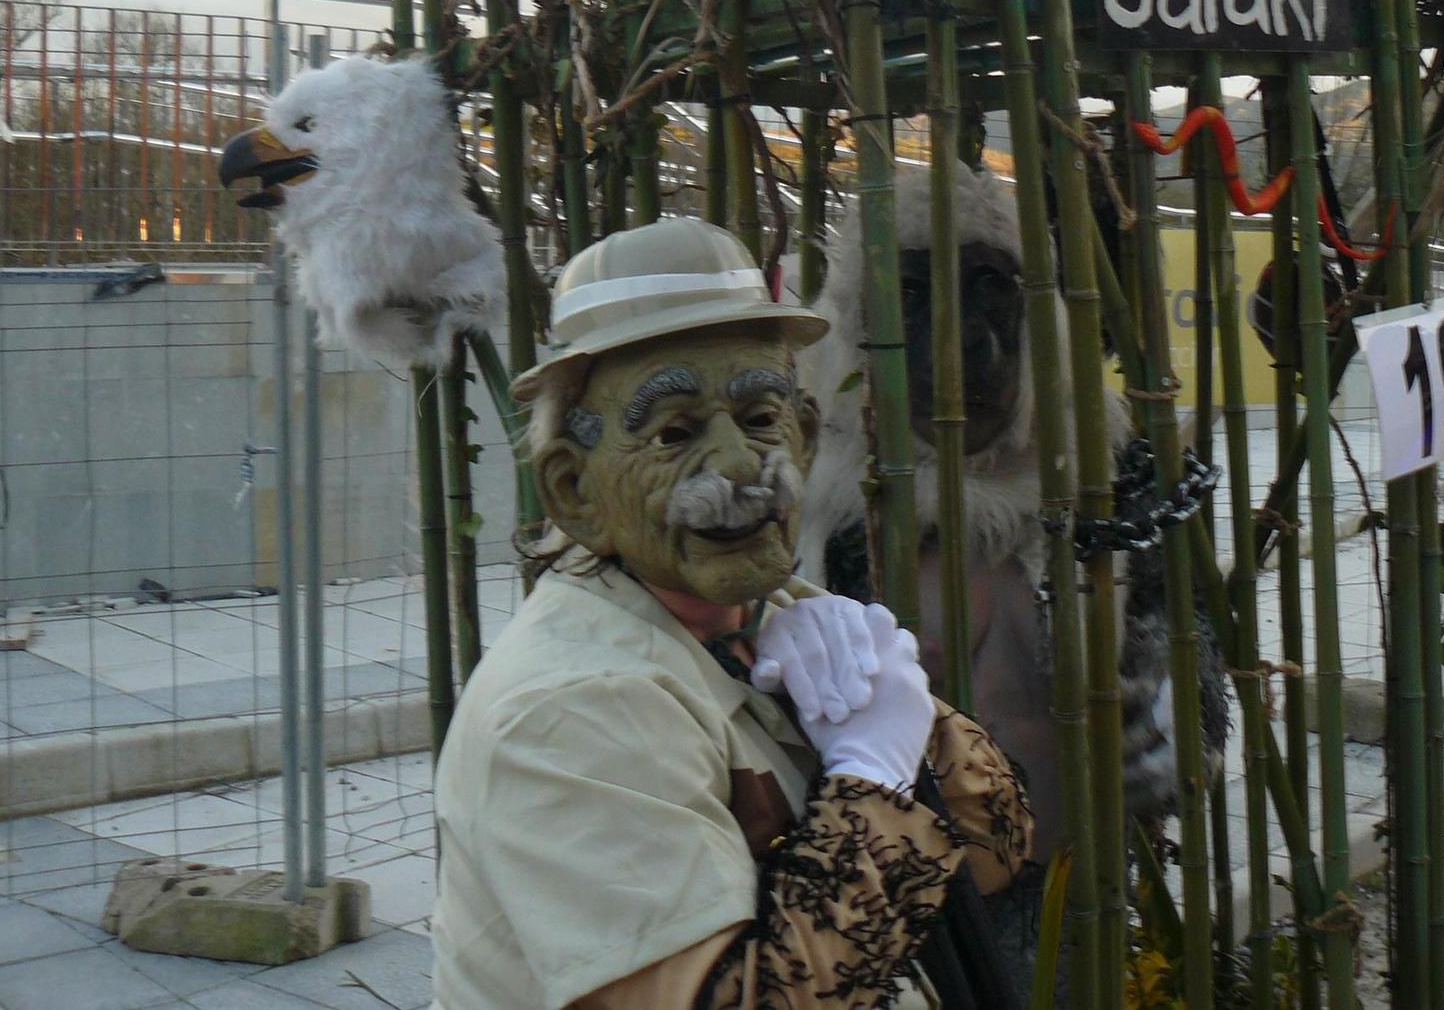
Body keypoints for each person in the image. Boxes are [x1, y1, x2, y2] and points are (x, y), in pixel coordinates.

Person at [429, 218, 1031, 1009]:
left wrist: (917, 724)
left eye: (759, 419)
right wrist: (876, 781)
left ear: (806, 438)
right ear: (575, 490)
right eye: (675, 432)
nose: (744, 466)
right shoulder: (571, 710)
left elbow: (994, 845)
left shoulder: (770, 618)